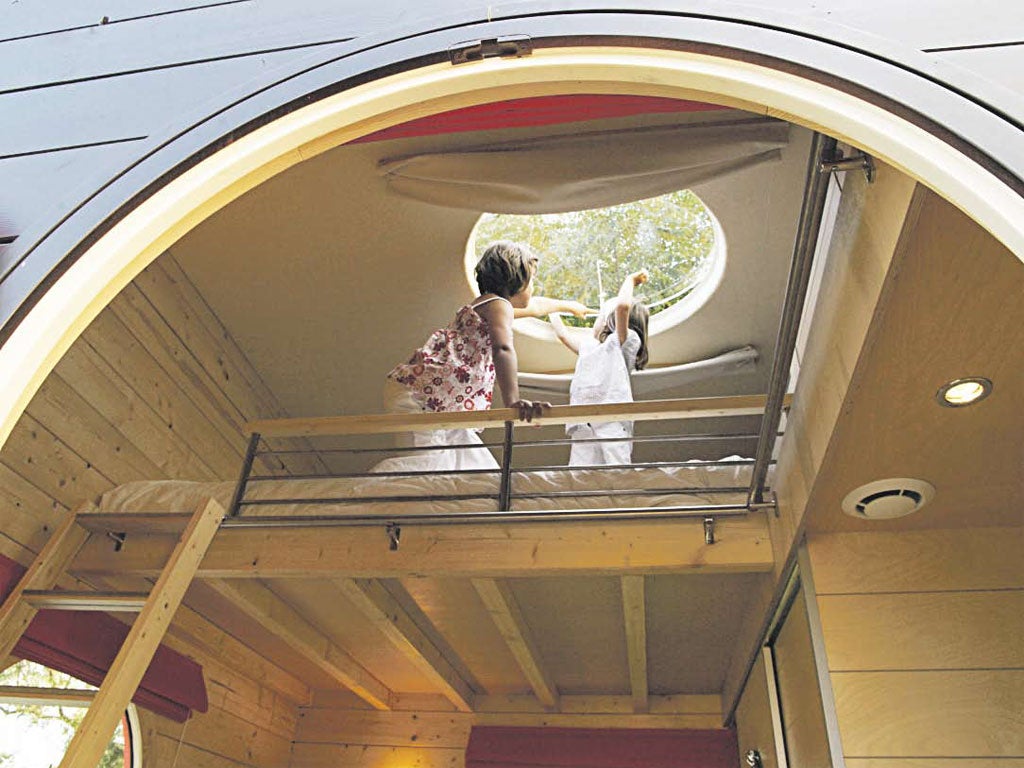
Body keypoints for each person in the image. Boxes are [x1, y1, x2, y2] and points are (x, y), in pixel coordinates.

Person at [381, 240, 591, 471]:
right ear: (516, 280)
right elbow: (503, 348)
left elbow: (537, 306)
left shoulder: (491, 305)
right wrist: (513, 401)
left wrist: (568, 306)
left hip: (440, 403)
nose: (533, 287)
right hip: (420, 398)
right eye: (531, 280)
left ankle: (479, 498)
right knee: (424, 463)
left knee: (471, 461)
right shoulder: (499, 306)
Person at [550, 269, 650, 467]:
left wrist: (631, 279)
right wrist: (554, 308)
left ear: (608, 323)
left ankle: (619, 496)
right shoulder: (589, 348)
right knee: (580, 475)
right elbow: (562, 335)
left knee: (616, 470)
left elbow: (622, 307)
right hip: (583, 423)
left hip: (612, 419)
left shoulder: (621, 344)